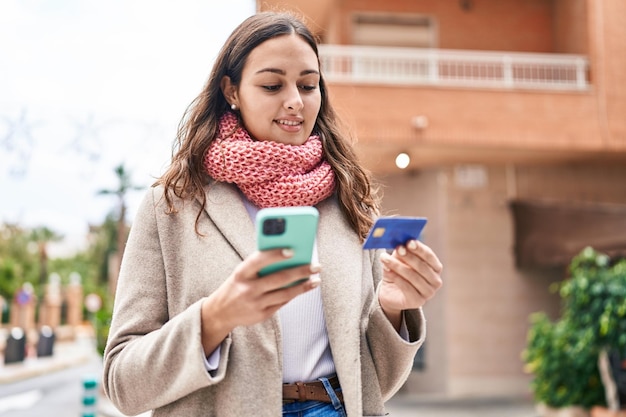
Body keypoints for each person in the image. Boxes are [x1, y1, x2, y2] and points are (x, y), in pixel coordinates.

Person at [102, 10, 443, 417]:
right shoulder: (173, 204)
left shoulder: (349, 199)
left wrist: (393, 309)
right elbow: (123, 384)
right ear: (231, 90)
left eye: (308, 84)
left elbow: (374, 385)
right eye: (271, 85)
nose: (295, 101)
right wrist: (214, 318)